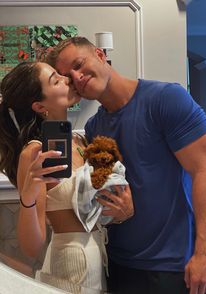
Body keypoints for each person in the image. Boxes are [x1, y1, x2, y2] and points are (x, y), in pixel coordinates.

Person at [46, 36, 206, 294]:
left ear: (99, 54)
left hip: (171, 264)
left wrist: (205, 255)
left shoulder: (166, 99)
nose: (77, 76)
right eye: (68, 77)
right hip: (117, 264)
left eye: (79, 64)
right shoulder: (94, 127)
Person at [0, 61, 134, 293]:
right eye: (56, 80)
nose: (67, 80)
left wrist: (122, 212)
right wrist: (29, 195)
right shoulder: (34, 152)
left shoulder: (82, 142)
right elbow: (32, 247)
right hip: (69, 268)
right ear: (40, 106)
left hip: (99, 261)